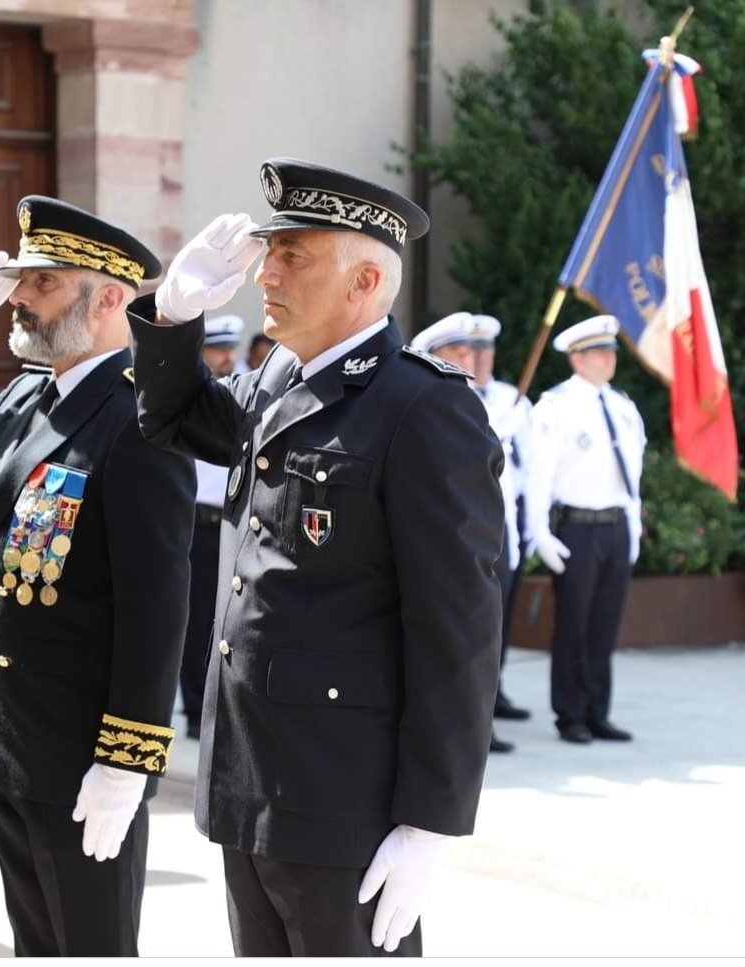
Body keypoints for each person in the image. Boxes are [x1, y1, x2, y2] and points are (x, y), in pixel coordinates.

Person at [129, 158, 504, 956]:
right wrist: (172, 316)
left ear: (364, 279)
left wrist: (431, 819)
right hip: (253, 781)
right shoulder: (277, 378)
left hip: (345, 799)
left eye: (292, 255)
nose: (265, 272)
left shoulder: (422, 408)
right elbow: (175, 419)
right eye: (271, 252)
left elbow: (458, 631)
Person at [0, 196, 196, 956]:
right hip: (11, 736)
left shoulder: (141, 420)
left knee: (89, 944)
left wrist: (127, 758)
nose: (18, 297)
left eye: (43, 283)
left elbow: (157, 607)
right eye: (22, 281)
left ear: (110, 297)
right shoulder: (27, 396)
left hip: (84, 749)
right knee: (37, 943)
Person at [526, 315, 645, 744]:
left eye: (612, 351)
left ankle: (598, 711)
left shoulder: (623, 407)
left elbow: (633, 474)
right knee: (573, 624)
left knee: (604, 625)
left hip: (613, 526)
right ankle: (570, 714)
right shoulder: (555, 407)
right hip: (576, 527)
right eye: (600, 351)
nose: (610, 359)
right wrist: (539, 531)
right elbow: (540, 474)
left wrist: (632, 527)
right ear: (577, 358)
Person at [411, 312, 516, 754]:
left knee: (482, 640)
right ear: (434, 357)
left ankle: (478, 727)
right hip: (444, 539)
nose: (468, 358)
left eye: (470, 351)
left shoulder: (484, 401)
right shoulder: (426, 403)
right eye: (457, 352)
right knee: (447, 643)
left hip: (489, 533)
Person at [181, 314, 245, 740]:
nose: (226, 357)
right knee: (198, 619)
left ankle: (228, 708)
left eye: (229, 348)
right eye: (217, 349)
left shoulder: (246, 392)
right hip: (199, 522)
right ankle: (194, 709)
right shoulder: (192, 397)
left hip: (235, 521)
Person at [470, 313, 534, 724]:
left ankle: (499, 685)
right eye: (471, 350)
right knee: (479, 613)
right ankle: (479, 698)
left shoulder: (513, 398)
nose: (479, 358)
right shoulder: (453, 393)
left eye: (485, 349)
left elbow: (533, 462)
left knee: (505, 610)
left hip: (510, 514)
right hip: (476, 520)